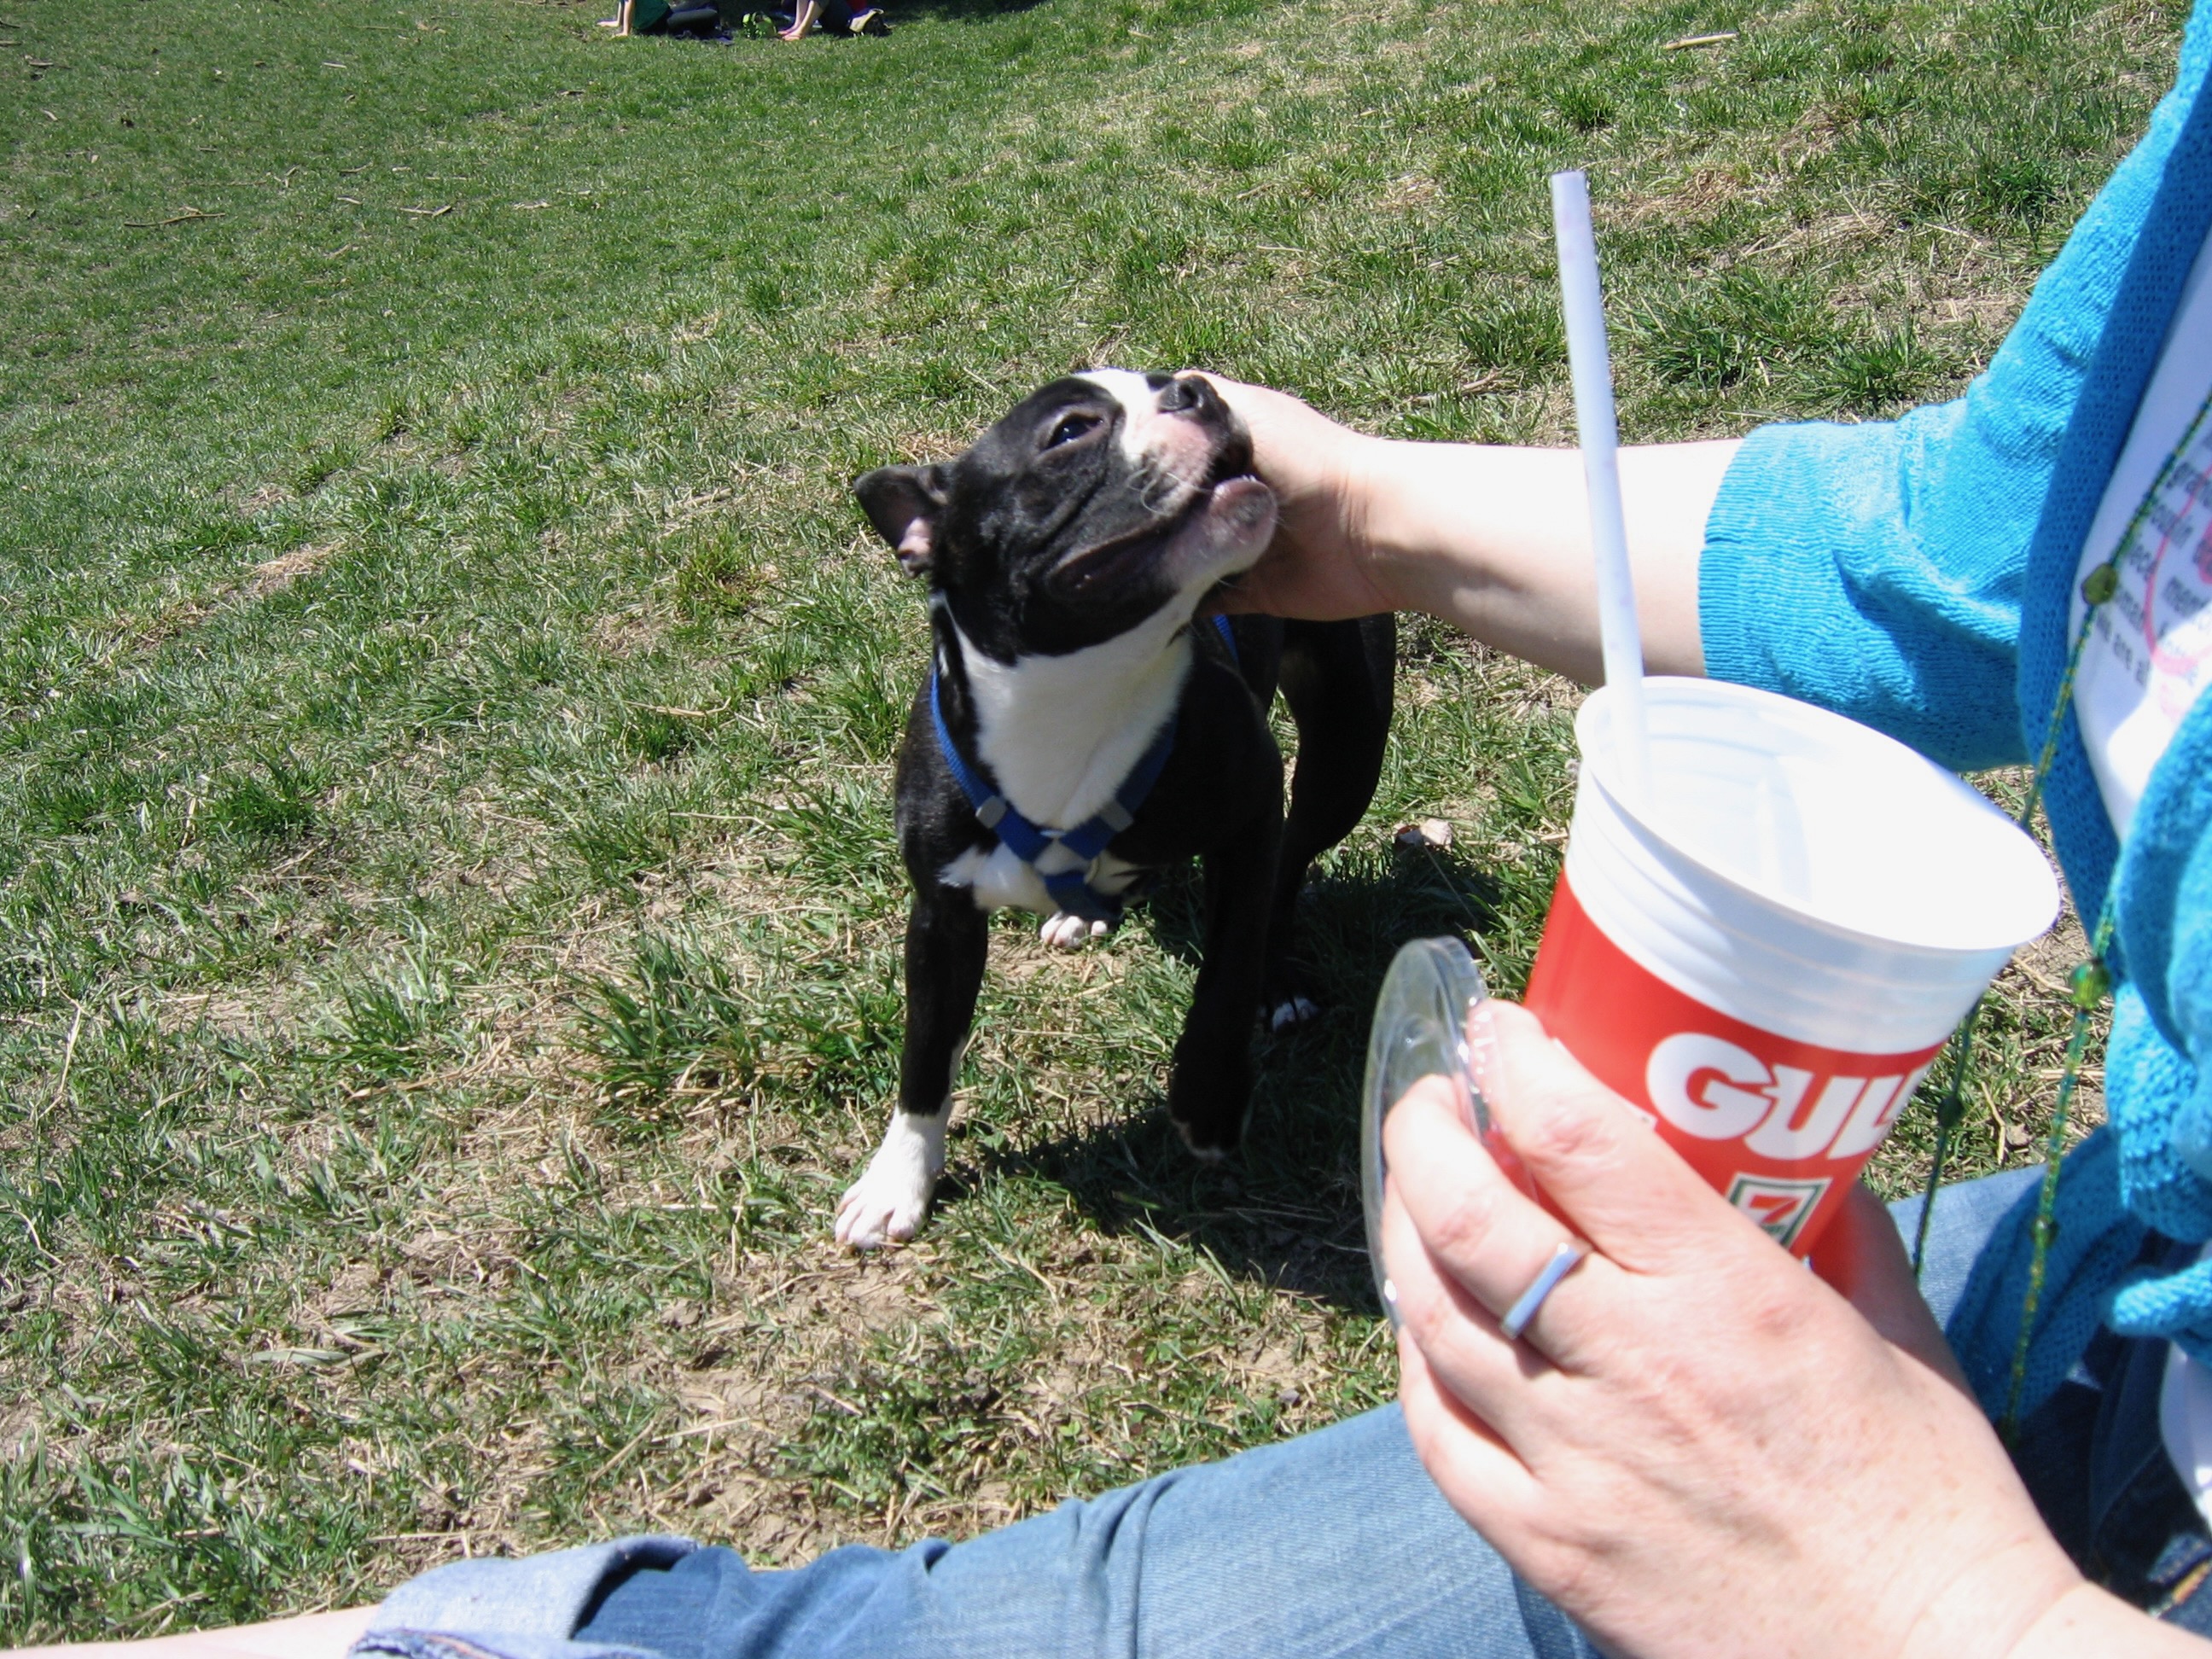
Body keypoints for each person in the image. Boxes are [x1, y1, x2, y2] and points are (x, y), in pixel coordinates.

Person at [22, 3, 2212, 1656]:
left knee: (1279, 859)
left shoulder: (1206, 711)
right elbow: (1965, 538)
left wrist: (1943, 1607)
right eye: (1087, 425)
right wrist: (1367, 509)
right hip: (2133, 1257)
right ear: (936, 552)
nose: (1165, 416)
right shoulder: (953, 742)